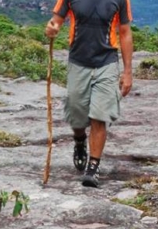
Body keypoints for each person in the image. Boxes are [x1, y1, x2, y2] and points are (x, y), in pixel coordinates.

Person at [45, 0, 134, 188]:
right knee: (77, 115)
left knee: (100, 115)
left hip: (107, 62)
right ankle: (79, 140)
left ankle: (93, 167)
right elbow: (57, 20)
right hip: (78, 62)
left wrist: (127, 71)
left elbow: (125, 32)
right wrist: (52, 28)